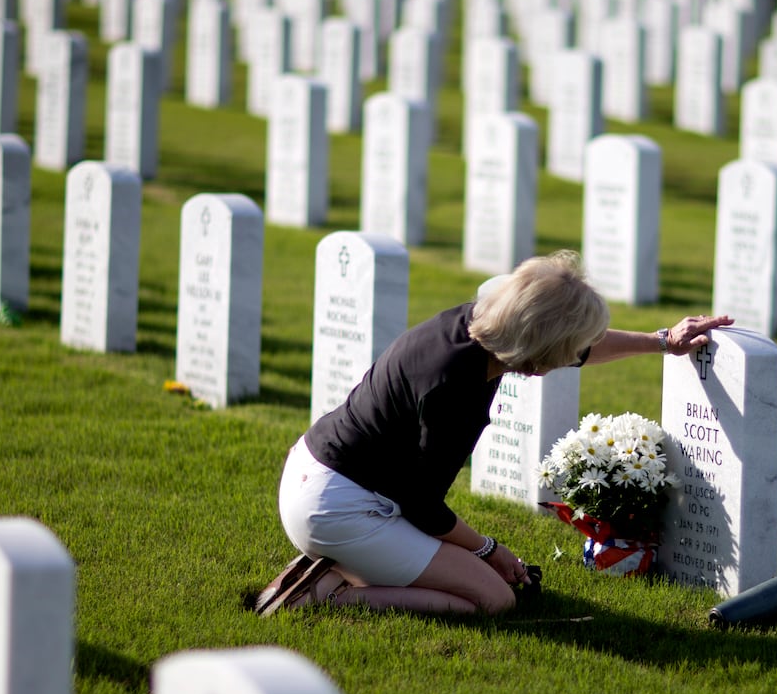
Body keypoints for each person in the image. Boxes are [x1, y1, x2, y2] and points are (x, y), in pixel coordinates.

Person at [257, 250, 733, 617]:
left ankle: (341, 565)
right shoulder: (454, 388)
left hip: (320, 473)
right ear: (540, 346)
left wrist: (661, 341)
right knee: (493, 598)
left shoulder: (479, 323)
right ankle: (328, 595)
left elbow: (577, 344)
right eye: (566, 350)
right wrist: (490, 549)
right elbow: (424, 507)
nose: (572, 358)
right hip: (340, 507)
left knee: (475, 579)